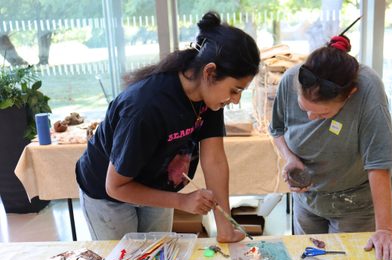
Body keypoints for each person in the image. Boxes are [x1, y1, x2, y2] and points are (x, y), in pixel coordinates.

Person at [76, 12, 260, 242]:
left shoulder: (209, 96)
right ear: (210, 72)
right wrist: (182, 201)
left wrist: (224, 228)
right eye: (235, 90)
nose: (235, 100)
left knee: (158, 259)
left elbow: (214, 160)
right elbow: (115, 186)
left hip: (155, 184)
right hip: (109, 194)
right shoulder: (145, 106)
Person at [269, 34, 392, 260]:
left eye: (322, 114)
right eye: (304, 108)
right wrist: (290, 158)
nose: (310, 117)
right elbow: (277, 130)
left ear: (349, 95)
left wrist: (385, 230)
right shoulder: (291, 79)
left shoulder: (368, 90)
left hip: (355, 204)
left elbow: (378, 163)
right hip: (307, 199)